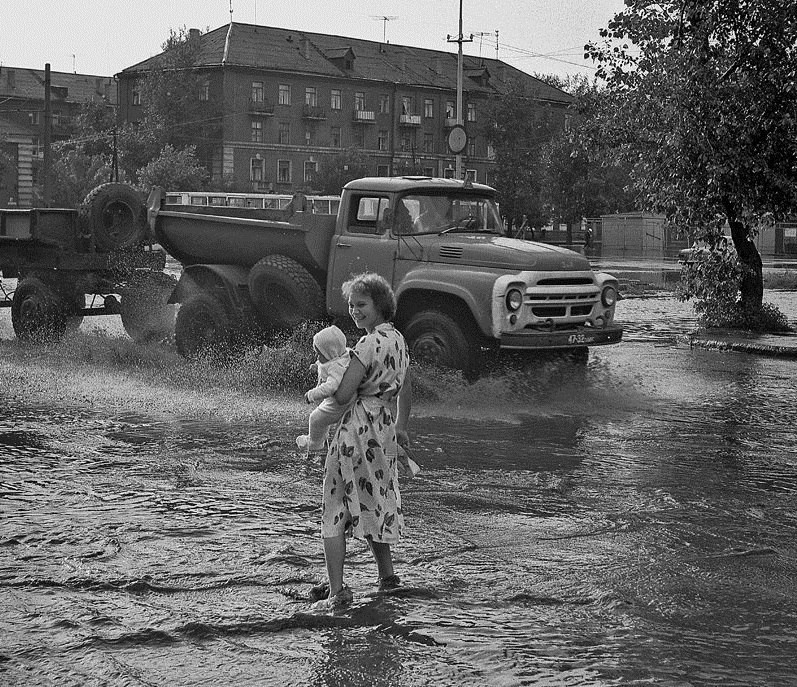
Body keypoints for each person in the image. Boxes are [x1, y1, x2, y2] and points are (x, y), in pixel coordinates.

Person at [310, 272, 412, 611]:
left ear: (380, 305)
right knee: (375, 500)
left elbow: (343, 392)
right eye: (352, 305)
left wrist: (327, 378)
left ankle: (337, 590)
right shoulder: (399, 341)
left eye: (362, 304)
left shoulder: (366, 346)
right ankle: (387, 577)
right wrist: (401, 426)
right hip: (382, 432)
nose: (354, 311)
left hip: (356, 430)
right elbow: (406, 390)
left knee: (334, 506)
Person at [296, 325, 351, 453]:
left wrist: (312, 394)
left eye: (320, 354)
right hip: (333, 401)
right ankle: (323, 439)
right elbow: (324, 363)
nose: (318, 358)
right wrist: (317, 366)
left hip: (337, 404)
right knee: (323, 421)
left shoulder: (337, 366)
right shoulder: (339, 355)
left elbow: (331, 387)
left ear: (331, 352)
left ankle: (314, 443)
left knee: (315, 418)